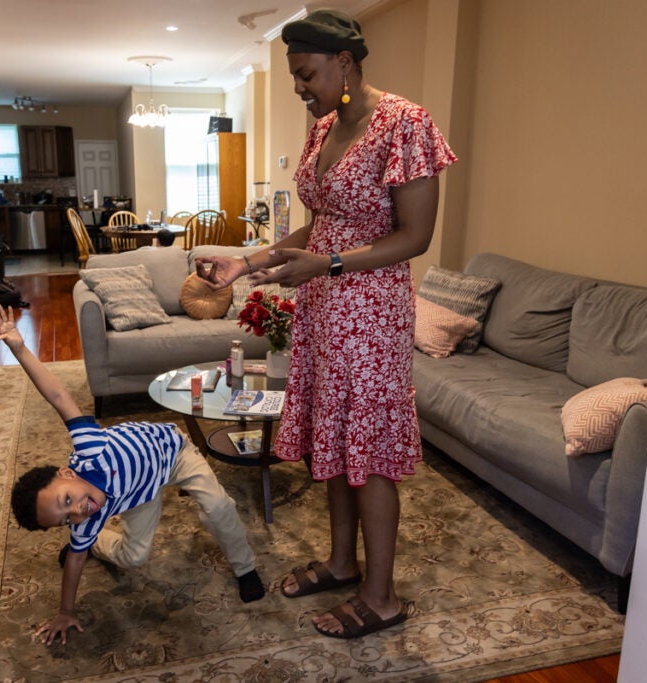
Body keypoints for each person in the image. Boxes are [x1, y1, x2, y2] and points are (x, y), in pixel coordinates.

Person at [195, 9, 456, 639]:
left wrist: (330, 263)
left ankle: (382, 596)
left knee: (368, 451)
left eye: (306, 74)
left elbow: (415, 236)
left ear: (345, 63)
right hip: (322, 306)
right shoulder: (322, 129)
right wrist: (250, 262)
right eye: (294, 77)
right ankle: (342, 563)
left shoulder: (404, 123)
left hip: (370, 311)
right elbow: (323, 221)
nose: (299, 87)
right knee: (333, 442)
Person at [0, 304, 265, 647]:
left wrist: (19, 348)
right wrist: (65, 610)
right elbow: (73, 561)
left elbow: (58, 395)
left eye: (67, 499)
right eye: (67, 519)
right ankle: (99, 546)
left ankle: (246, 568)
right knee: (134, 556)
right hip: (139, 494)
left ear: (67, 473)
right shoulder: (86, 518)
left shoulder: (90, 450)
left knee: (218, 505)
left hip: (174, 454)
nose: (78, 511)